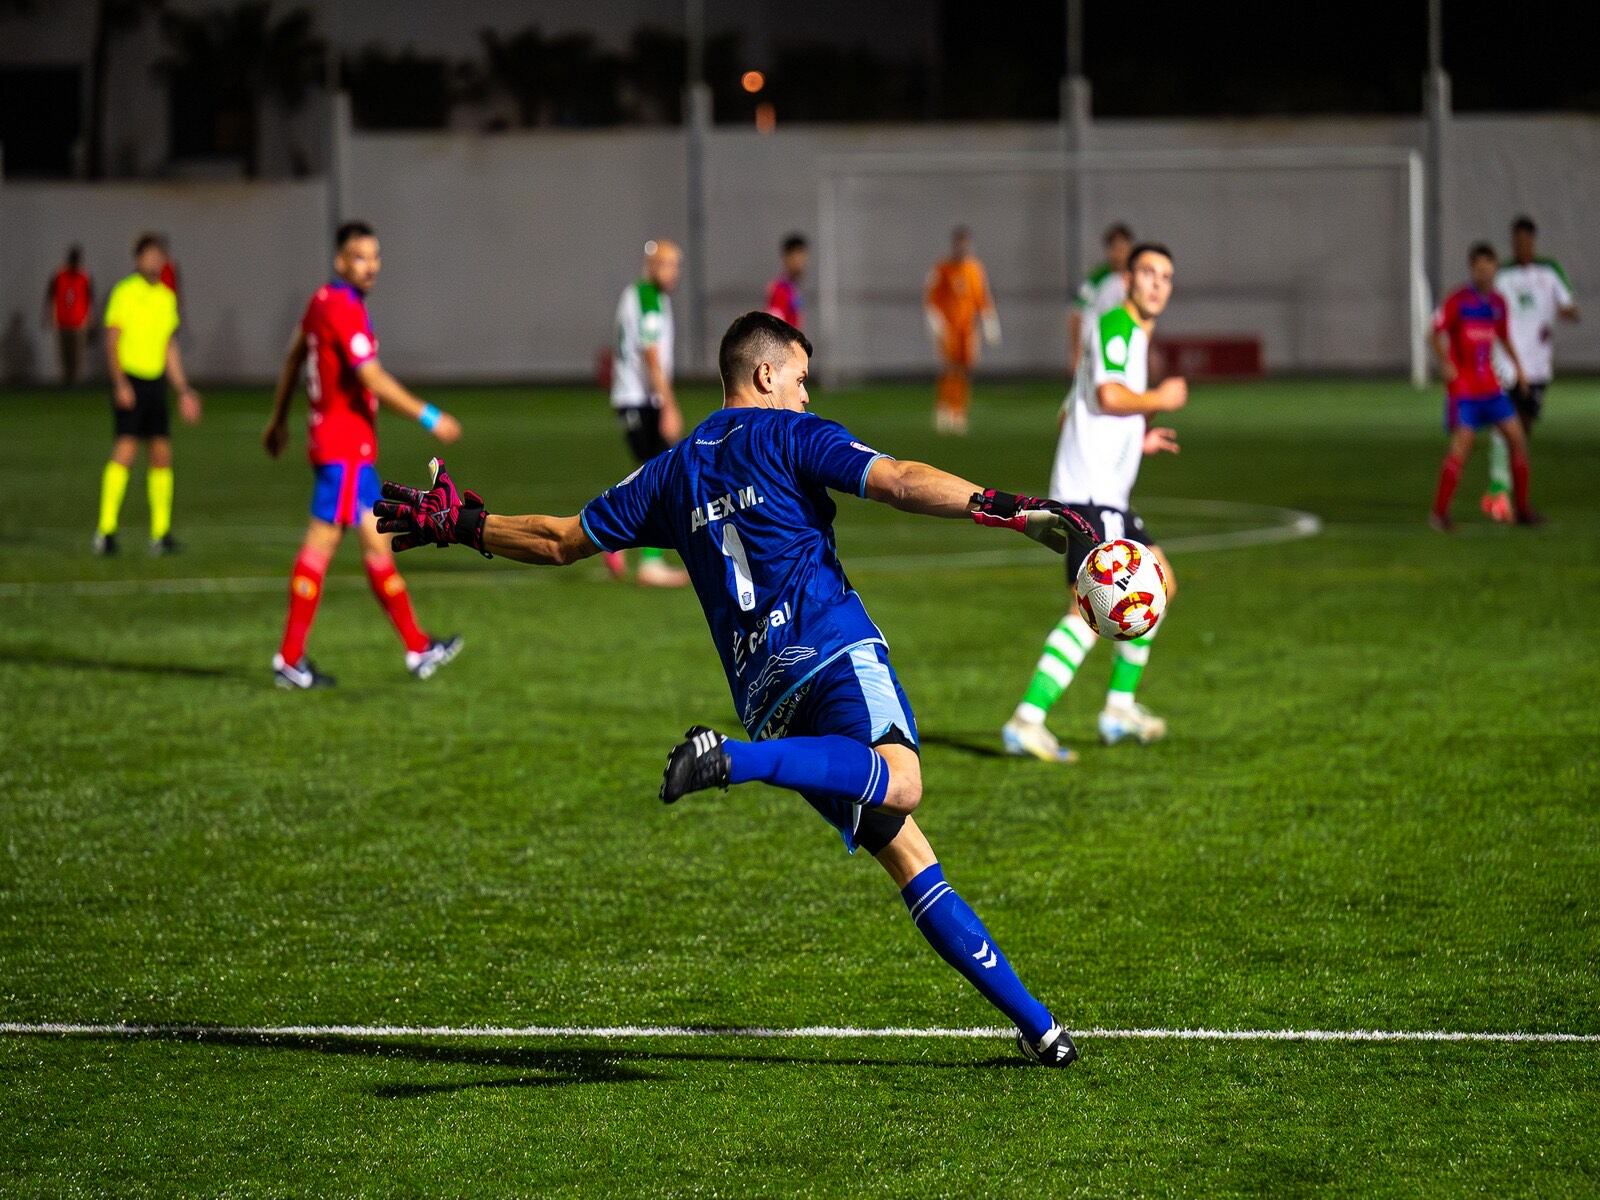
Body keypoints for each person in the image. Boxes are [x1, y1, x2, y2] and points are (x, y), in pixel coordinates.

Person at [374, 311, 1097, 1067]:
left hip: (770, 694)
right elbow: (899, 481)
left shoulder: (668, 471)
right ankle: (733, 762)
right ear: (764, 376)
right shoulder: (787, 436)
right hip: (834, 654)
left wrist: (468, 526)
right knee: (905, 783)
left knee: (907, 853)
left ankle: (1039, 1028)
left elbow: (558, 542)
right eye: (800, 378)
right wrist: (1012, 508)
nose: (807, 396)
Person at [262, 220, 465, 689]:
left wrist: (277, 420)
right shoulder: (344, 309)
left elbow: (294, 358)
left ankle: (417, 647)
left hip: (346, 449)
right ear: (340, 261)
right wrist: (429, 415)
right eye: (359, 257)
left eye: (375, 257)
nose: (370, 266)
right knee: (321, 544)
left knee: (378, 542)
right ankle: (289, 658)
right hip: (344, 450)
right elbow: (370, 377)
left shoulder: (321, 302)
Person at [1002, 243, 1185, 764]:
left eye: (1166, 277)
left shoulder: (1123, 334)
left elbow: (1073, 413)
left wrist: (1135, 439)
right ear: (1128, 279)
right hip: (1090, 496)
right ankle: (1028, 719)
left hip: (1103, 494)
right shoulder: (1116, 327)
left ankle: (1118, 709)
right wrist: (1159, 400)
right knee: (1089, 610)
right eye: (1148, 273)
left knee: (1161, 586)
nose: (1157, 284)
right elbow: (1107, 397)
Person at [94, 234, 201, 556]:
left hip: (155, 384)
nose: (154, 261)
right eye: (149, 256)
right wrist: (120, 383)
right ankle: (106, 531)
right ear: (138, 259)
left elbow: (169, 346)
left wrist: (182, 390)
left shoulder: (167, 298)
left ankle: (160, 533)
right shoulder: (125, 292)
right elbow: (112, 340)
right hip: (131, 381)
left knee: (161, 454)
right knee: (125, 451)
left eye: (159, 256)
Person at [1430, 244, 1537, 532]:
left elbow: (1503, 338)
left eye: (1488, 267)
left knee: (1518, 440)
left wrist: (1520, 370)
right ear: (1472, 270)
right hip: (1464, 391)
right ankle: (1439, 514)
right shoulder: (1458, 300)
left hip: (1490, 388)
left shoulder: (1498, 303)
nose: (1484, 272)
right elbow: (1434, 332)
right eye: (1478, 268)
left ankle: (1524, 510)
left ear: (1495, 268)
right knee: (1461, 449)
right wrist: (1445, 363)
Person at [1482, 216, 1578, 522]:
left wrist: (1562, 311)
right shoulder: (1503, 275)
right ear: (1512, 243)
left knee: (1522, 429)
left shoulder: (1549, 271)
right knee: (1506, 426)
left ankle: (1508, 492)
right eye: (1517, 242)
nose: (1522, 247)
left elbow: (1570, 308)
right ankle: (1500, 491)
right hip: (1506, 364)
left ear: (1533, 242)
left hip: (1536, 366)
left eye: (1526, 242)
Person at [608, 239, 689, 586]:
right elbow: (651, 356)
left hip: (635, 398)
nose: (675, 272)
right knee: (658, 478)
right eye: (669, 264)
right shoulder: (648, 299)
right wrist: (669, 404)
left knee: (649, 475)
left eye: (677, 265)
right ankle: (650, 562)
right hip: (641, 399)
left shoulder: (639, 293)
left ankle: (611, 537)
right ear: (652, 265)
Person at [923, 227, 999, 435]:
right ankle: (943, 409)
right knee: (949, 368)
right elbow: (931, 298)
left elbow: (983, 298)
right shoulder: (943, 269)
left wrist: (989, 323)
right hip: (948, 329)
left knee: (965, 370)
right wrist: (935, 322)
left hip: (968, 329)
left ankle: (959, 411)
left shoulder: (975, 269)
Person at [1068, 223, 1132, 370]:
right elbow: (1075, 314)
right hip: (1095, 346)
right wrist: (1075, 351)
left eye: (1123, 248)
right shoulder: (1097, 279)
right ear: (1108, 251)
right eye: (1115, 248)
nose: (1120, 253)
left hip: (1122, 344)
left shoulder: (1135, 280)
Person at [43, 246, 94, 385]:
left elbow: (89, 299)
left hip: (79, 321)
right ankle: (65, 379)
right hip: (62, 320)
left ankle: (76, 381)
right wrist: (51, 316)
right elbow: (51, 297)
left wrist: (89, 319)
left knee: (77, 354)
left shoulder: (84, 276)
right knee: (64, 352)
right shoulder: (59, 275)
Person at [764, 233, 809, 330]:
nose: (801, 263)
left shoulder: (793, 288)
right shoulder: (781, 289)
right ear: (787, 258)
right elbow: (774, 327)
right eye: (797, 257)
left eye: (803, 258)